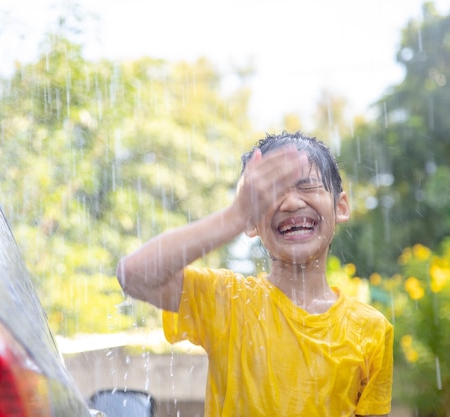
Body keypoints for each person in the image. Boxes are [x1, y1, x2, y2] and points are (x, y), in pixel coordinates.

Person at [116, 131, 393, 417]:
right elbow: (132, 274)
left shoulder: (371, 330)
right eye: (271, 194)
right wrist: (233, 216)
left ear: (341, 206)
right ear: (252, 222)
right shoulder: (228, 301)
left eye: (307, 187)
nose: (291, 203)